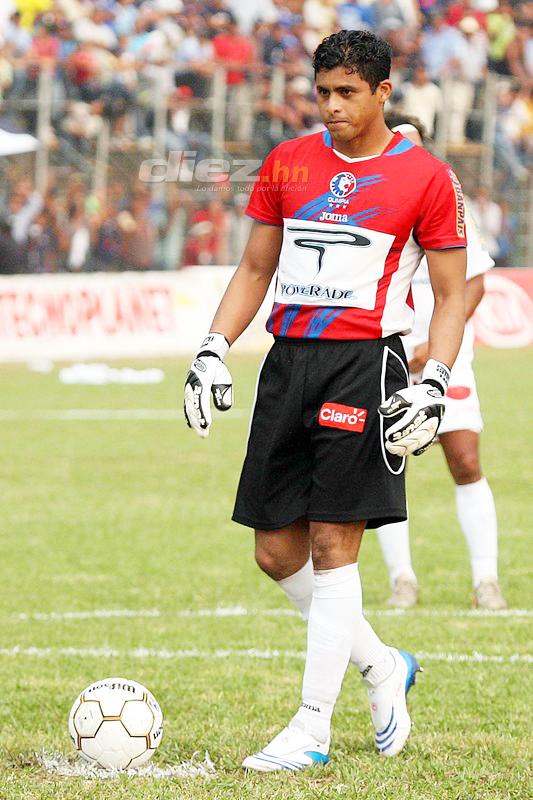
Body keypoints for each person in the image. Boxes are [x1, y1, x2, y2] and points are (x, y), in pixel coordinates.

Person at [184, 30, 467, 772]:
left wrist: (434, 380)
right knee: (274, 550)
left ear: (382, 93)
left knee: (333, 545)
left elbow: (449, 297)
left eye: (347, 92)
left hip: (365, 369)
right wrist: (212, 348)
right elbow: (255, 268)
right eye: (322, 92)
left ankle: (311, 728)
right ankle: (382, 666)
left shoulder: (428, 178)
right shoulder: (287, 162)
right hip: (287, 364)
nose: (332, 105)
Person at [376, 114, 507, 611]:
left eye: (414, 145)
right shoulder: (370, 205)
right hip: (385, 356)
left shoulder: (448, 202)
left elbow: (475, 284)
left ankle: (486, 581)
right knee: (389, 469)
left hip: (446, 358)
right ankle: (402, 580)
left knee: (466, 461)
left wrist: (434, 347)